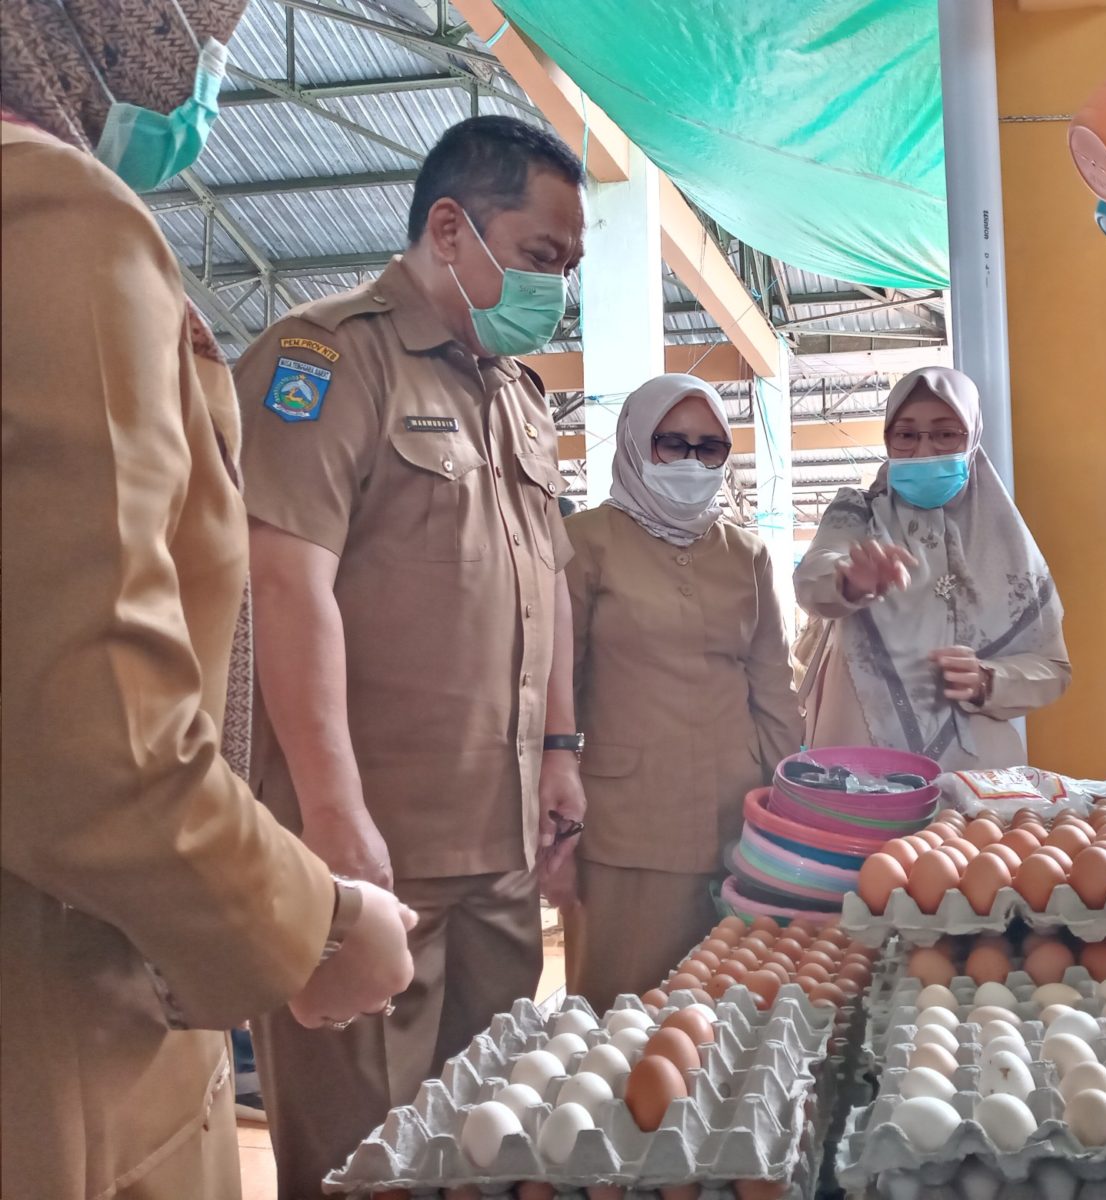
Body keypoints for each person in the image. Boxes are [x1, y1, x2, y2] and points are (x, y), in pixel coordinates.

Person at [1, 3, 416, 1197]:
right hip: (64, 1015)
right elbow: (94, 738)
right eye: (197, 26)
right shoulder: (53, 214)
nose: (203, 74)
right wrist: (306, 930)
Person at [233, 115, 588, 1196]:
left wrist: (562, 748)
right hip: (367, 856)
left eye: (569, 269)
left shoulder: (521, 401)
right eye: (540, 258)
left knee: (489, 1136)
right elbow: (281, 583)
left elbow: (549, 582)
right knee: (362, 1156)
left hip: (499, 854)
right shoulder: (327, 358)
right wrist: (333, 814)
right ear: (450, 228)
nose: (555, 290)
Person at [562, 375, 803, 1005]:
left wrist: (791, 808)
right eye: (672, 444)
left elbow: (773, 685)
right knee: (617, 1013)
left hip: (737, 821)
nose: (693, 462)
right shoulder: (585, 543)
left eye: (710, 448)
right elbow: (559, 684)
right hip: (622, 827)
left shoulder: (746, 553)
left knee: (724, 1005)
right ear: (638, 444)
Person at [794, 366, 1070, 768]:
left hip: (974, 777)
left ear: (972, 437)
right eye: (906, 435)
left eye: (945, 434)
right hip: (861, 763)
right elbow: (811, 579)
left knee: (977, 836)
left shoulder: (1005, 538)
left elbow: (1053, 670)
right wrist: (849, 581)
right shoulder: (857, 512)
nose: (923, 451)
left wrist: (988, 679)